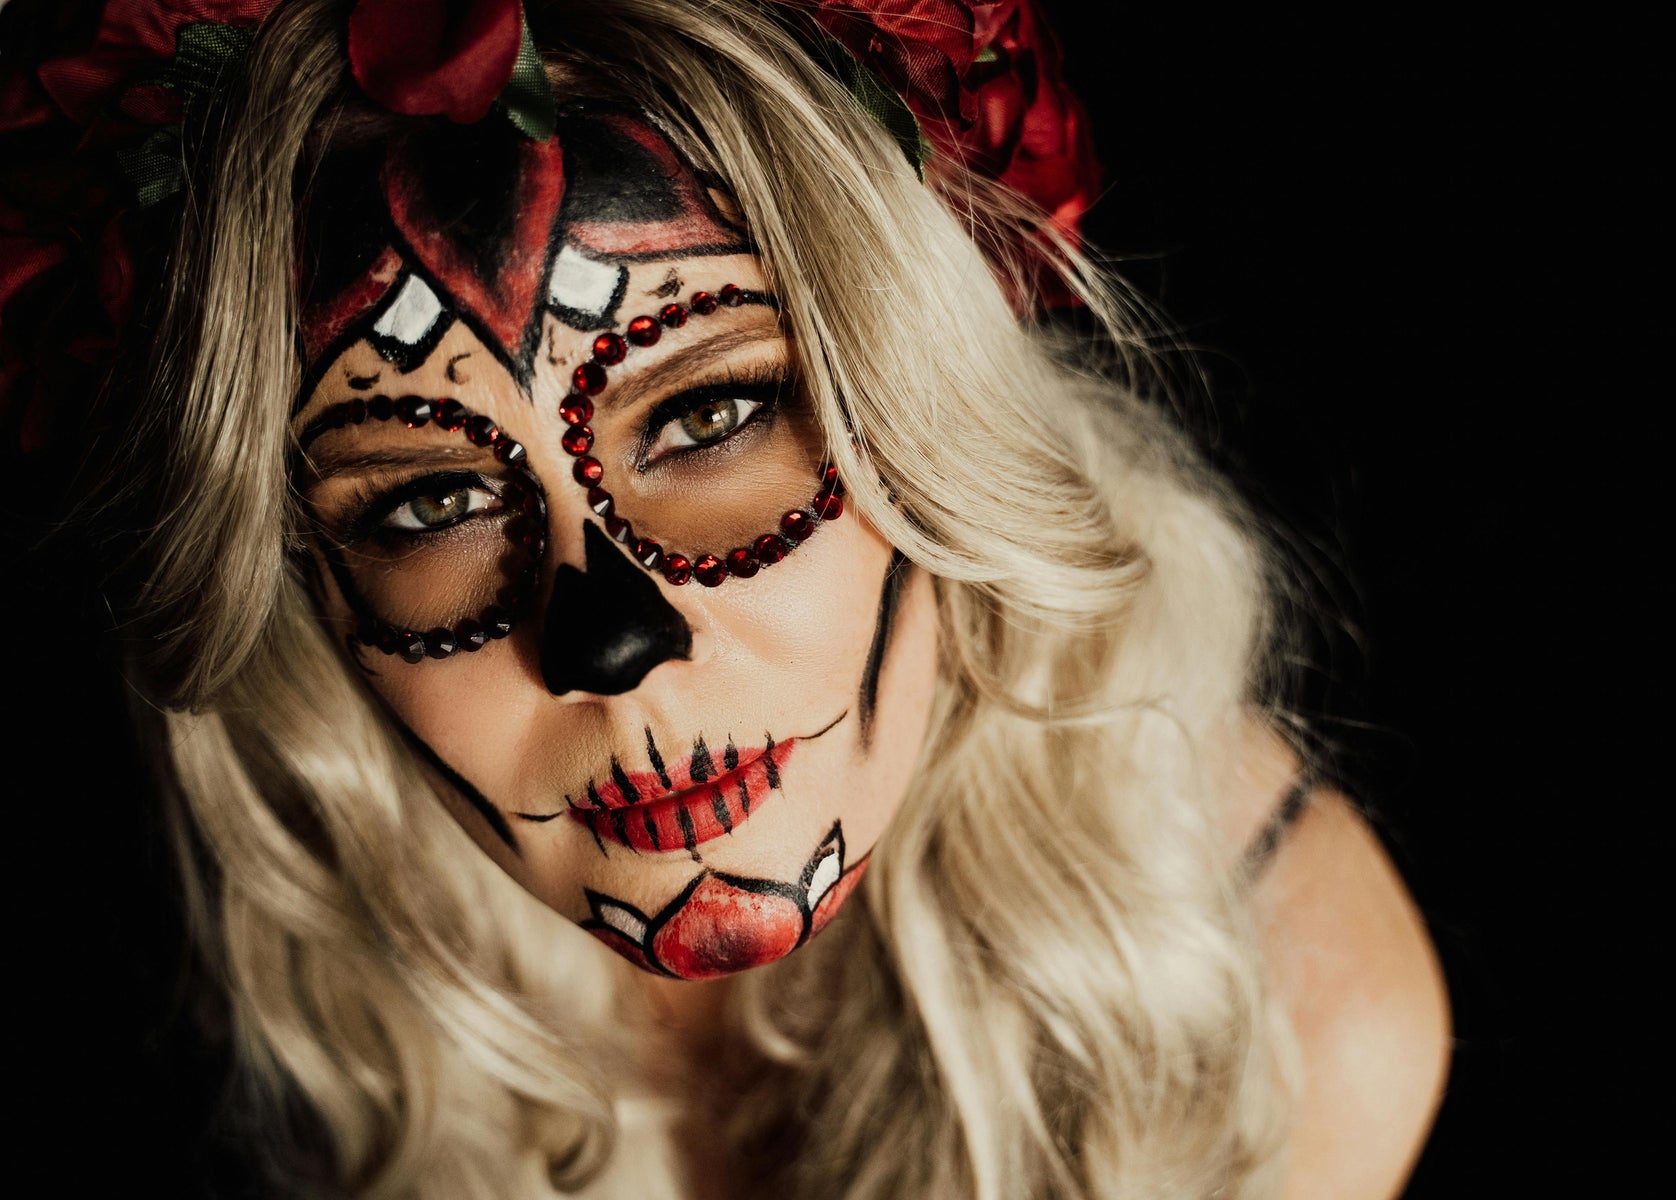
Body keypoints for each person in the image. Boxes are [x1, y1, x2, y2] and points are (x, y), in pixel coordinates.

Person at [0, 0, 1449, 1196]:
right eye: (427, 502)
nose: (609, 638)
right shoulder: (205, 985)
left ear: (918, 405)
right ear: (309, 592)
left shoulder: (1286, 1019)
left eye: (710, 417)